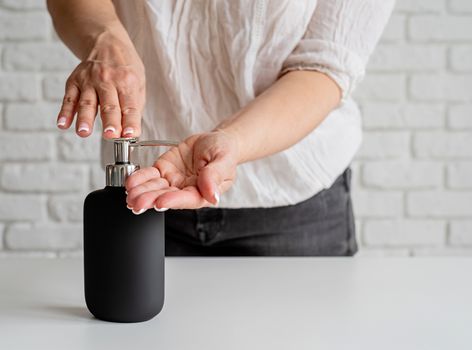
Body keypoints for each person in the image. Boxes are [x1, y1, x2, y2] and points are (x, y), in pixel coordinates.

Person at [47, 0, 394, 256]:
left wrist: (232, 141)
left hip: (293, 202)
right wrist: (106, 39)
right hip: (147, 194)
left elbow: (324, 69)